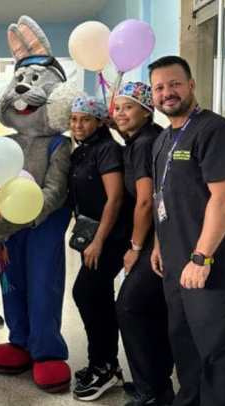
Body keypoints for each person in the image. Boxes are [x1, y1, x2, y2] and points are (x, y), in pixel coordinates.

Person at [149, 55, 225, 406]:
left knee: (218, 354)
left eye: (174, 84)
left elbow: (224, 199)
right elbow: (164, 196)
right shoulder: (162, 141)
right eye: (159, 87)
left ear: (191, 85)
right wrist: (159, 245)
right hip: (176, 267)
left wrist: (201, 257)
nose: (167, 93)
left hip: (211, 267)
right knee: (186, 350)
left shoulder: (215, 131)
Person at [112, 82, 174, 406]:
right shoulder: (149, 138)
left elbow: (146, 202)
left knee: (130, 307)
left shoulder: (142, 143)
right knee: (152, 310)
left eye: (129, 107)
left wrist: (135, 249)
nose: (121, 113)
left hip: (154, 242)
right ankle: (156, 384)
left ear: (146, 110)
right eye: (117, 107)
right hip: (162, 238)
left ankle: (151, 390)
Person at [68, 95, 129, 401]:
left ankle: (104, 365)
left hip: (110, 238)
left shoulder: (106, 150)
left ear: (99, 122)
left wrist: (99, 241)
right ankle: (105, 365)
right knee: (99, 296)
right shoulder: (82, 150)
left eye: (85, 119)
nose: (78, 125)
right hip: (91, 238)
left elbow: (115, 198)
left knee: (86, 293)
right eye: (74, 119)